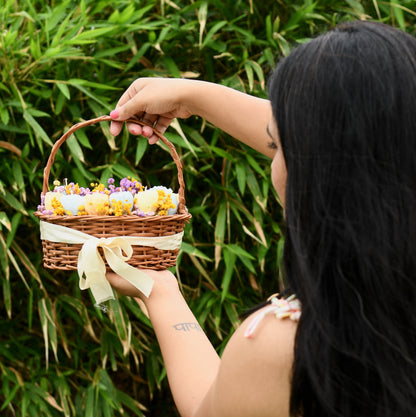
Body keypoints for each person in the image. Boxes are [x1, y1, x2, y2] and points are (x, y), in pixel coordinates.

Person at [106, 20, 416, 417]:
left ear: (311, 171)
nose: (273, 152)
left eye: (275, 143)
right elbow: (342, 140)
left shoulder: (291, 345)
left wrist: (157, 290)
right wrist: (190, 95)